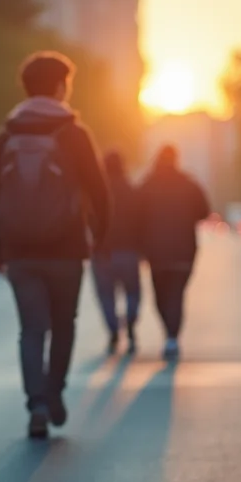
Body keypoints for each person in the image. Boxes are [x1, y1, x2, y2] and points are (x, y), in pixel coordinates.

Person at [0, 51, 110, 440]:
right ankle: (55, 392)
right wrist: (99, 235)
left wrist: (0, 248)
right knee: (63, 324)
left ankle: (36, 404)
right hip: (66, 249)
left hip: (20, 252)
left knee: (31, 330)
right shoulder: (73, 133)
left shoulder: (6, 134)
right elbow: (99, 191)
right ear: (60, 86)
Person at [132, 144, 210, 361]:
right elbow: (204, 211)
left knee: (161, 296)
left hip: (155, 253)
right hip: (184, 252)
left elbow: (134, 215)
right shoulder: (189, 184)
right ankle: (172, 337)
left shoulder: (147, 185)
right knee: (176, 295)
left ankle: (170, 334)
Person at [90, 151, 144, 355]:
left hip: (102, 253)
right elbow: (142, 220)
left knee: (105, 295)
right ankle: (130, 321)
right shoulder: (133, 191)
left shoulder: (95, 192)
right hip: (129, 251)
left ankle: (113, 330)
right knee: (133, 292)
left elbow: (88, 220)